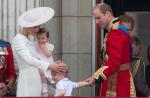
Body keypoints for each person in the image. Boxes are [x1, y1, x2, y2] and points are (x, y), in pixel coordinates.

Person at [12, 7, 67, 97]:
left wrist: (52, 64)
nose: (37, 30)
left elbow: (36, 59)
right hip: (27, 79)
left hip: (36, 77)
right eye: (35, 26)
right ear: (27, 26)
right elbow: (28, 58)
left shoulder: (27, 40)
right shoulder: (18, 39)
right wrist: (49, 66)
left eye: (38, 26)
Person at [85, 3, 136, 97]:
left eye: (98, 18)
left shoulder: (115, 32)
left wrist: (96, 77)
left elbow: (114, 61)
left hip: (118, 82)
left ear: (107, 13)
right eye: (95, 19)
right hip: (117, 78)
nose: (97, 22)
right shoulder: (115, 30)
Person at [35, 27, 55, 96]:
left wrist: (43, 47)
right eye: (38, 38)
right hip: (38, 61)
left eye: (43, 38)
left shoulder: (49, 46)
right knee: (41, 73)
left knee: (45, 73)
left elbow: (49, 54)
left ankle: (46, 88)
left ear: (47, 39)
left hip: (46, 62)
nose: (40, 40)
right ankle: (44, 88)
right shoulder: (35, 45)